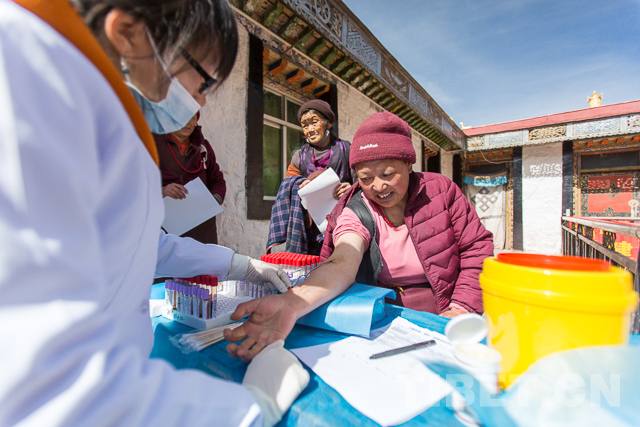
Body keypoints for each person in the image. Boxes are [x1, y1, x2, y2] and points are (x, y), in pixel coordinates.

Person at [0, 1, 308, 426]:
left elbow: (141, 244)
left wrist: (239, 264)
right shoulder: (26, 75)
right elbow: (43, 385)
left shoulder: (113, 119)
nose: (202, 100)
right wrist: (250, 409)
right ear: (127, 33)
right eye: (203, 80)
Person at [226, 112, 494, 361]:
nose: (378, 186)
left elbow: (475, 248)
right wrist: (291, 303)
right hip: (383, 316)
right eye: (366, 178)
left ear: (408, 164)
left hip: (445, 308)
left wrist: (460, 308)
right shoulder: (355, 209)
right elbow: (341, 261)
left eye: (388, 174)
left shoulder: (441, 192)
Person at [266, 99, 353, 255]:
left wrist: (350, 190)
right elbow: (288, 190)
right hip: (309, 231)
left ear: (329, 123)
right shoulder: (299, 157)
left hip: (342, 225)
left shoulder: (347, 150)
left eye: (314, 122)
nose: (310, 129)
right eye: (305, 125)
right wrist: (300, 186)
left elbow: (363, 185)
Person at [154, 112, 226, 244]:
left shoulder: (203, 147)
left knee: (203, 256)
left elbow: (217, 180)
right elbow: (136, 182)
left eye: (192, 117)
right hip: (166, 228)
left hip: (202, 229)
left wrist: (214, 200)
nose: (187, 122)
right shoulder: (154, 144)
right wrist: (162, 190)